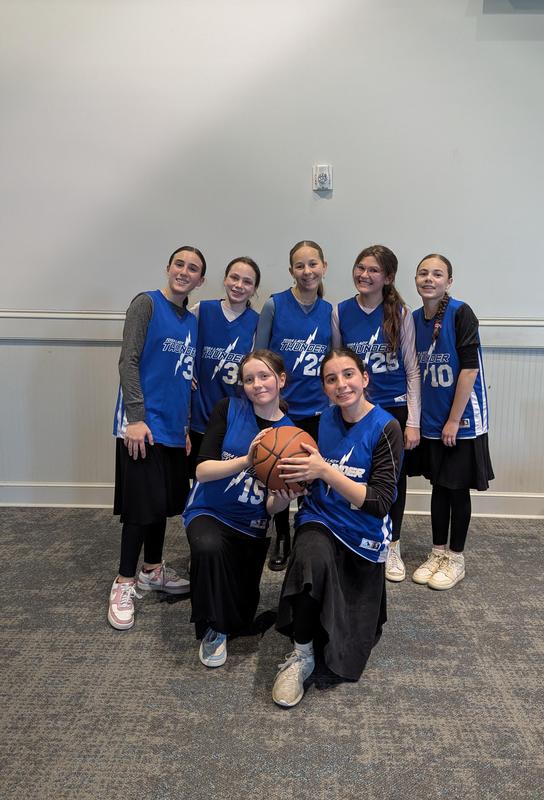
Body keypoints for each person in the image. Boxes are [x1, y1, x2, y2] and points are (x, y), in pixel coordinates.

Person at [271, 347, 403, 707]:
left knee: (349, 647)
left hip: (363, 534)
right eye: (331, 379)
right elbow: (303, 478)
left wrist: (326, 471)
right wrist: (290, 485)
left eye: (348, 375)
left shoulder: (386, 428)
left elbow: (379, 503)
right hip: (322, 519)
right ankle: (301, 655)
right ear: (324, 388)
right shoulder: (318, 423)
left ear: (364, 378)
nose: (341, 384)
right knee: (309, 555)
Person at [108, 245, 206, 631]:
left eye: (193, 269)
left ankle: (151, 570)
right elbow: (128, 360)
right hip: (142, 425)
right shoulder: (146, 304)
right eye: (179, 264)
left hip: (172, 428)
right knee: (139, 507)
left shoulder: (191, 321)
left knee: (162, 503)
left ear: (200, 280)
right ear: (168, 267)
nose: (184, 271)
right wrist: (135, 418)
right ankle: (124, 582)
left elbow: (183, 376)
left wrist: (184, 427)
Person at [183, 350, 296, 668]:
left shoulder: (291, 434)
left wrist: (286, 497)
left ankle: (225, 613)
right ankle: (212, 629)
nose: (257, 384)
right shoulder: (228, 408)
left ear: (281, 380)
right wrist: (248, 460)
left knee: (242, 616)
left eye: (264, 376)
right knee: (208, 548)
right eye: (249, 379)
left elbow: (271, 506)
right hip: (210, 512)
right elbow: (202, 471)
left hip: (251, 525)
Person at [331, 245, 420, 583]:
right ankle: (353, 534)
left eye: (373, 270)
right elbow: (336, 364)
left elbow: (412, 370)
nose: (364, 275)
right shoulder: (340, 311)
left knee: (393, 480)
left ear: (388, 277)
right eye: (360, 267)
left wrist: (413, 421)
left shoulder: (400, 312)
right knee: (354, 474)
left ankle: (392, 544)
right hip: (355, 409)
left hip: (393, 409)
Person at [408, 253, 494, 590]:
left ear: (449, 281)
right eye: (423, 273)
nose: (429, 279)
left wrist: (454, 420)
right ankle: (437, 552)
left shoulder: (460, 312)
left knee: (456, 488)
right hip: (432, 418)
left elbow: (469, 369)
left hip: (462, 419)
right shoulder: (414, 319)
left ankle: (456, 558)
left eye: (437, 274)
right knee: (439, 486)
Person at [255, 240, 332, 571]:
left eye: (313, 264)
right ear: (291, 270)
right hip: (282, 410)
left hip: (318, 411)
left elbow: (335, 362)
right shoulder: (274, 305)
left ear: (324, 267)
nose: (307, 271)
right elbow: (259, 357)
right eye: (300, 265)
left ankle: (308, 532)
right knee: (278, 475)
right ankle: (282, 536)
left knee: (311, 476)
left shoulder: (330, 312)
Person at [188, 257, 260, 473]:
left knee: (224, 478)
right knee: (194, 477)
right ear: (225, 279)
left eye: (247, 281)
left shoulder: (257, 322)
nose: (239, 285)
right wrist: (184, 373)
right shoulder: (202, 310)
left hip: (233, 416)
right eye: (234, 278)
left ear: (254, 289)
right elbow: (180, 342)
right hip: (198, 412)